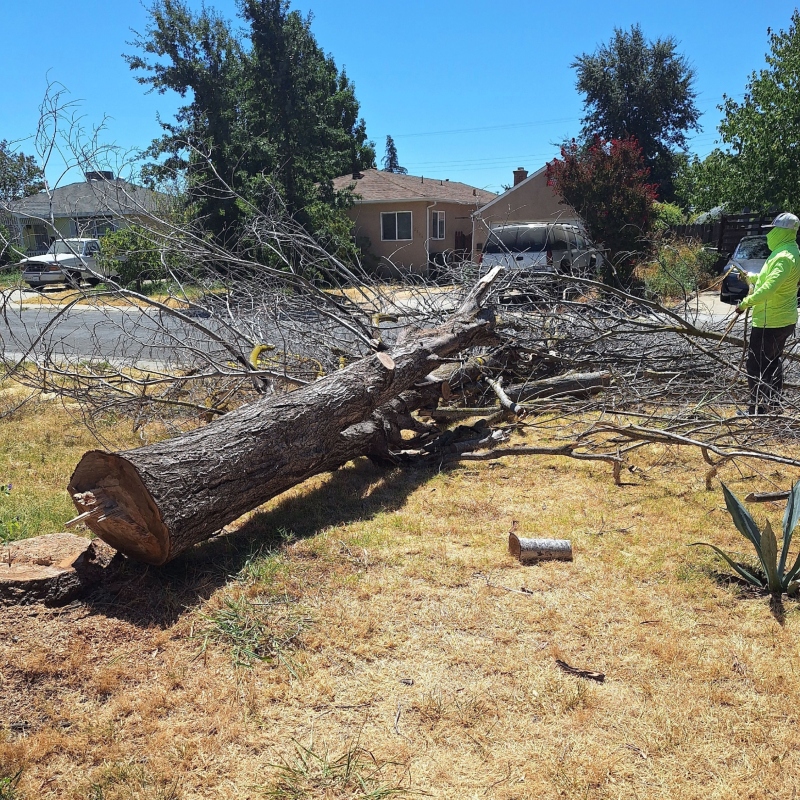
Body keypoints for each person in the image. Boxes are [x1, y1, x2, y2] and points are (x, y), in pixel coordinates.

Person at [734, 212, 800, 415]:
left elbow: (769, 289)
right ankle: (771, 405)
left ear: (782, 231)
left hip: (771, 321)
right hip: (779, 319)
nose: (770, 234)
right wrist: (749, 277)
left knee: (756, 364)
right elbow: (766, 279)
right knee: (772, 362)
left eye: (773, 230)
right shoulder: (787, 251)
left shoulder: (784, 258)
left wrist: (746, 303)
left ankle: (757, 408)